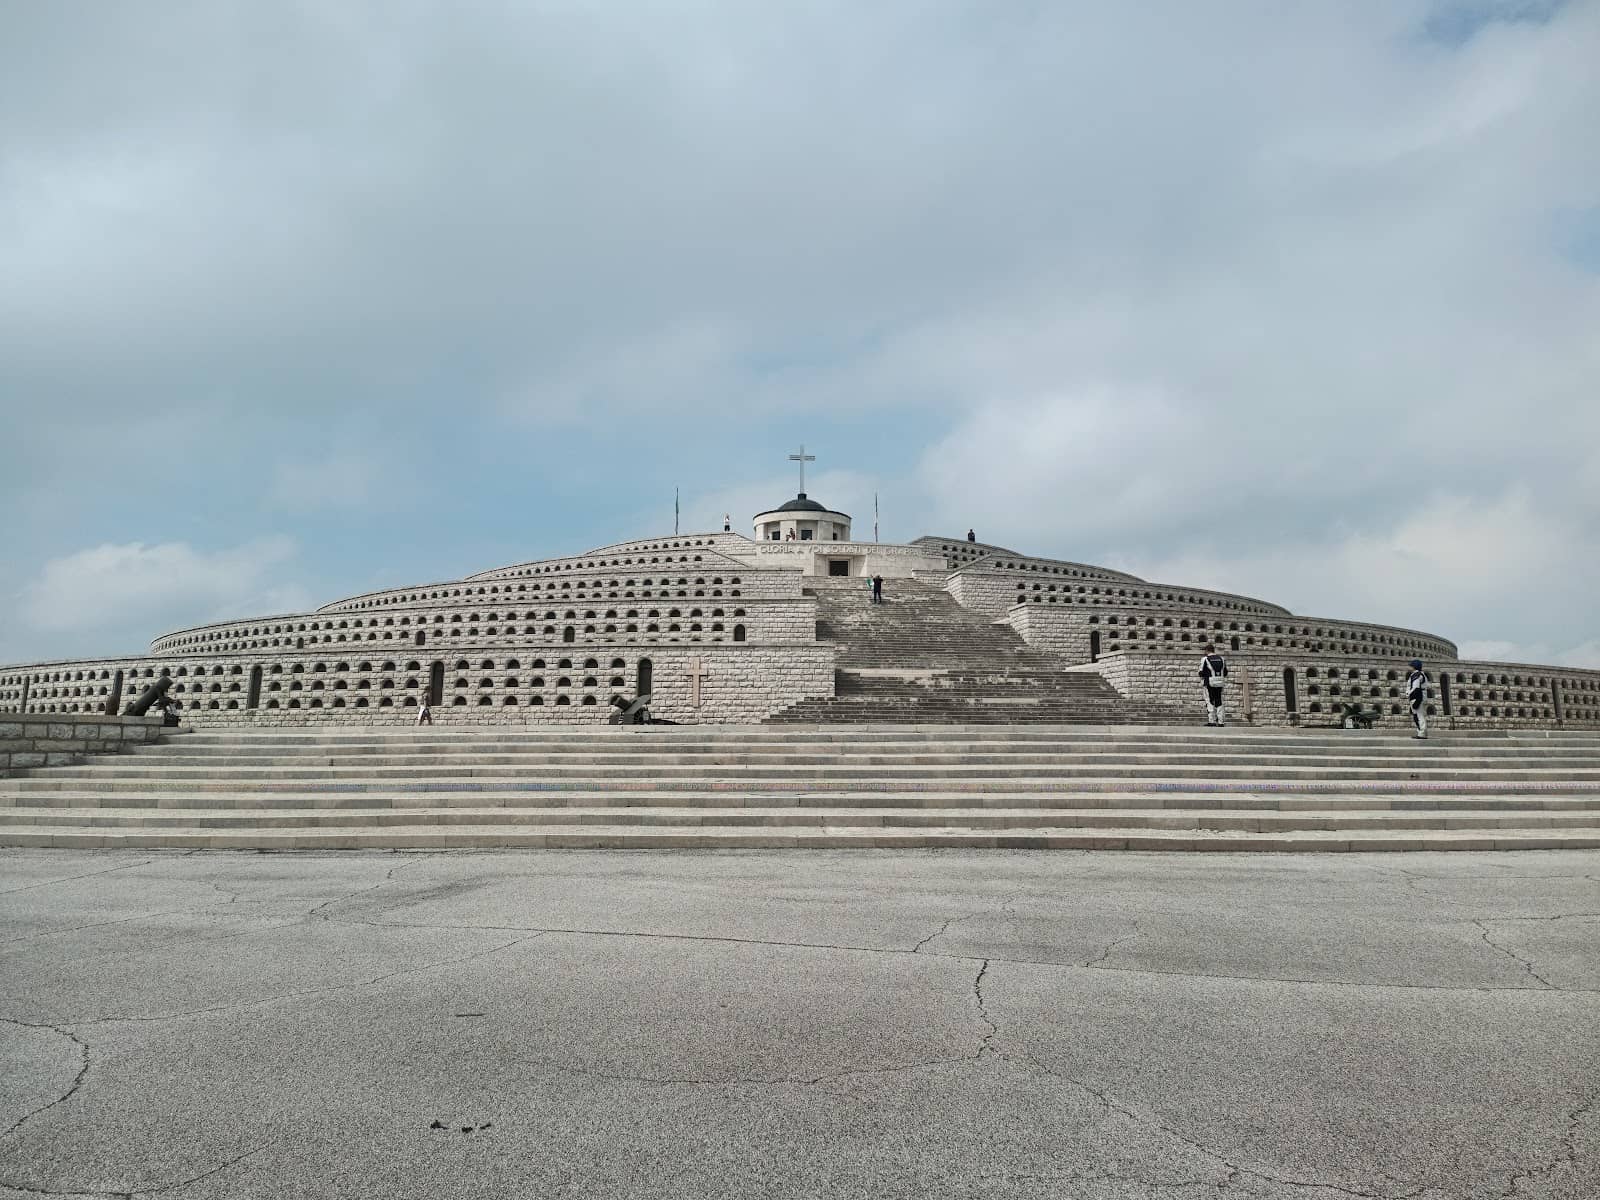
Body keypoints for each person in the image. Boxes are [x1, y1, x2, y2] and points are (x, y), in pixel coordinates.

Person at [1198, 643, 1228, 727]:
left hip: (1209, 683)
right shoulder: (1222, 659)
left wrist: (1203, 676)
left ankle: (1212, 721)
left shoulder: (1205, 659)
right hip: (1220, 682)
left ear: (1207, 650)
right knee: (1219, 701)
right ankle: (1221, 721)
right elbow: (1225, 672)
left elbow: (1201, 672)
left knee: (1209, 700)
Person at [1406, 659, 1430, 739]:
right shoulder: (1419, 674)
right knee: (1417, 716)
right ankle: (1420, 732)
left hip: (1418, 697)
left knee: (1419, 716)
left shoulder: (1417, 675)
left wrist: (1416, 700)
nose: (1410, 667)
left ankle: (1422, 733)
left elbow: (1416, 688)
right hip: (1418, 696)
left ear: (1414, 666)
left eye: (1411, 666)